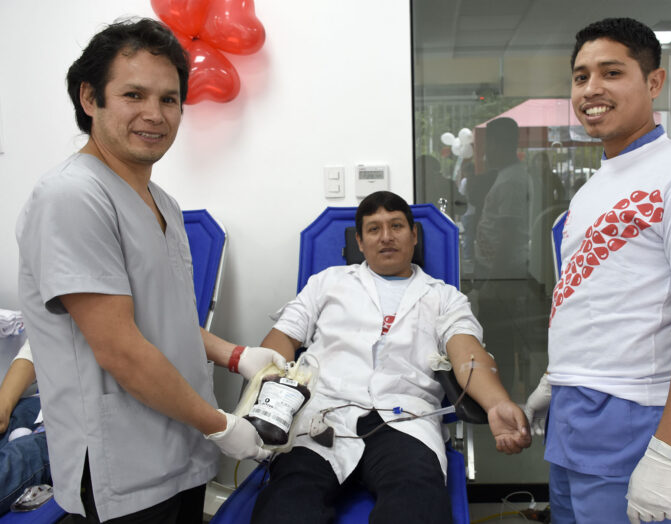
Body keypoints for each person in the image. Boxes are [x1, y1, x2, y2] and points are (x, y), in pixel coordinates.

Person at [15, 18, 284, 522]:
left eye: (169, 99)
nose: (154, 114)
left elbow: (167, 318)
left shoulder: (163, 203)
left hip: (179, 450)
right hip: (124, 466)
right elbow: (121, 348)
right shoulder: (72, 196)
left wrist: (236, 356)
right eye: (133, 95)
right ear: (90, 98)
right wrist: (221, 424)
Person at [525, 18, 671, 524]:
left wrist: (667, 455)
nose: (591, 89)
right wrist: (556, 380)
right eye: (580, 77)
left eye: (611, 72)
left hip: (633, 416)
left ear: (654, 82)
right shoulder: (594, 187)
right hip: (573, 413)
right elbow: (595, 296)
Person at [249, 191, 531, 524]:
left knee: (417, 505)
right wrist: (270, 396)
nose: (386, 237)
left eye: (396, 225)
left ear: (414, 236)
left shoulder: (443, 296)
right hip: (323, 416)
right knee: (286, 505)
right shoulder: (328, 283)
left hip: (405, 420)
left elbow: (467, 351)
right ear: (360, 240)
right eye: (373, 229)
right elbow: (282, 337)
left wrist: (496, 403)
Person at [475, 117, 532, 280]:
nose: (486, 151)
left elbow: (509, 234)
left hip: (501, 272)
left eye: (488, 144)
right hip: (494, 268)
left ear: (498, 144)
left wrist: (494, 281)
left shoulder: (511, 181)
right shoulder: (507, 176)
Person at [0, 340, 51, 514]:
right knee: (14, 417)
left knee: (23, 454)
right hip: (43, 403)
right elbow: (39, 343)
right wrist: (3, 405)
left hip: (83, 419)